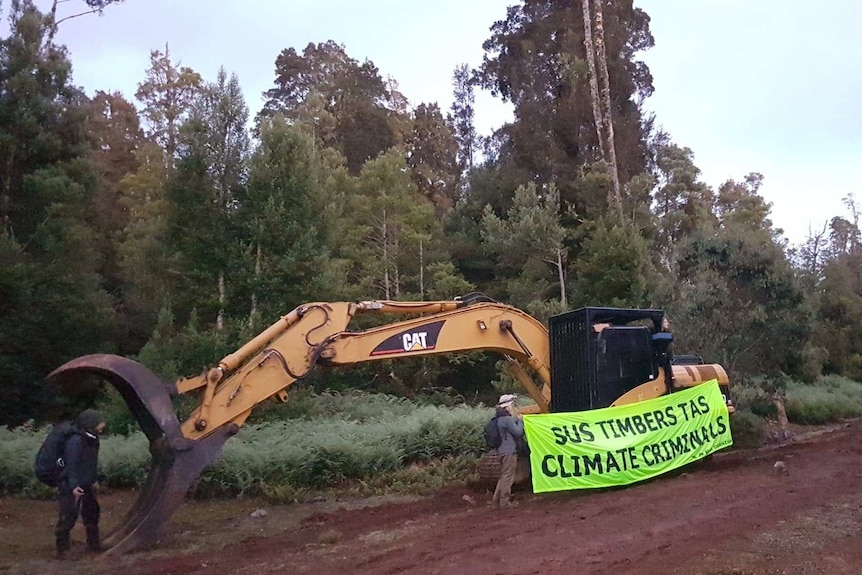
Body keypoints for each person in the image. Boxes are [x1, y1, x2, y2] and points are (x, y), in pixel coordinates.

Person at [55, 409, 106, 558]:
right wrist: (73, 485)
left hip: (86, 483)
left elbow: (91, 463)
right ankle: (62, 549)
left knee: (92, 512)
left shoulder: (93, 439)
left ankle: (93, 543)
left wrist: (94, 479)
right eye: (98, 422)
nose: (102, 424)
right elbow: (72, 463)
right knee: (69, 514)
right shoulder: (76, 441)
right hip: (73, 485)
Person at [491, 394, 525, 509]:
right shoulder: (507, 419)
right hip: (509, 451)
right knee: (508, 477)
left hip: (501, 451)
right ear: (508, 405)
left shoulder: (498, 418)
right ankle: (505, 502)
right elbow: (518, 432)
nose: (513, 406)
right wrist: (520, 421)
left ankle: (496, 501)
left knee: (504, 476)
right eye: (512, 404)